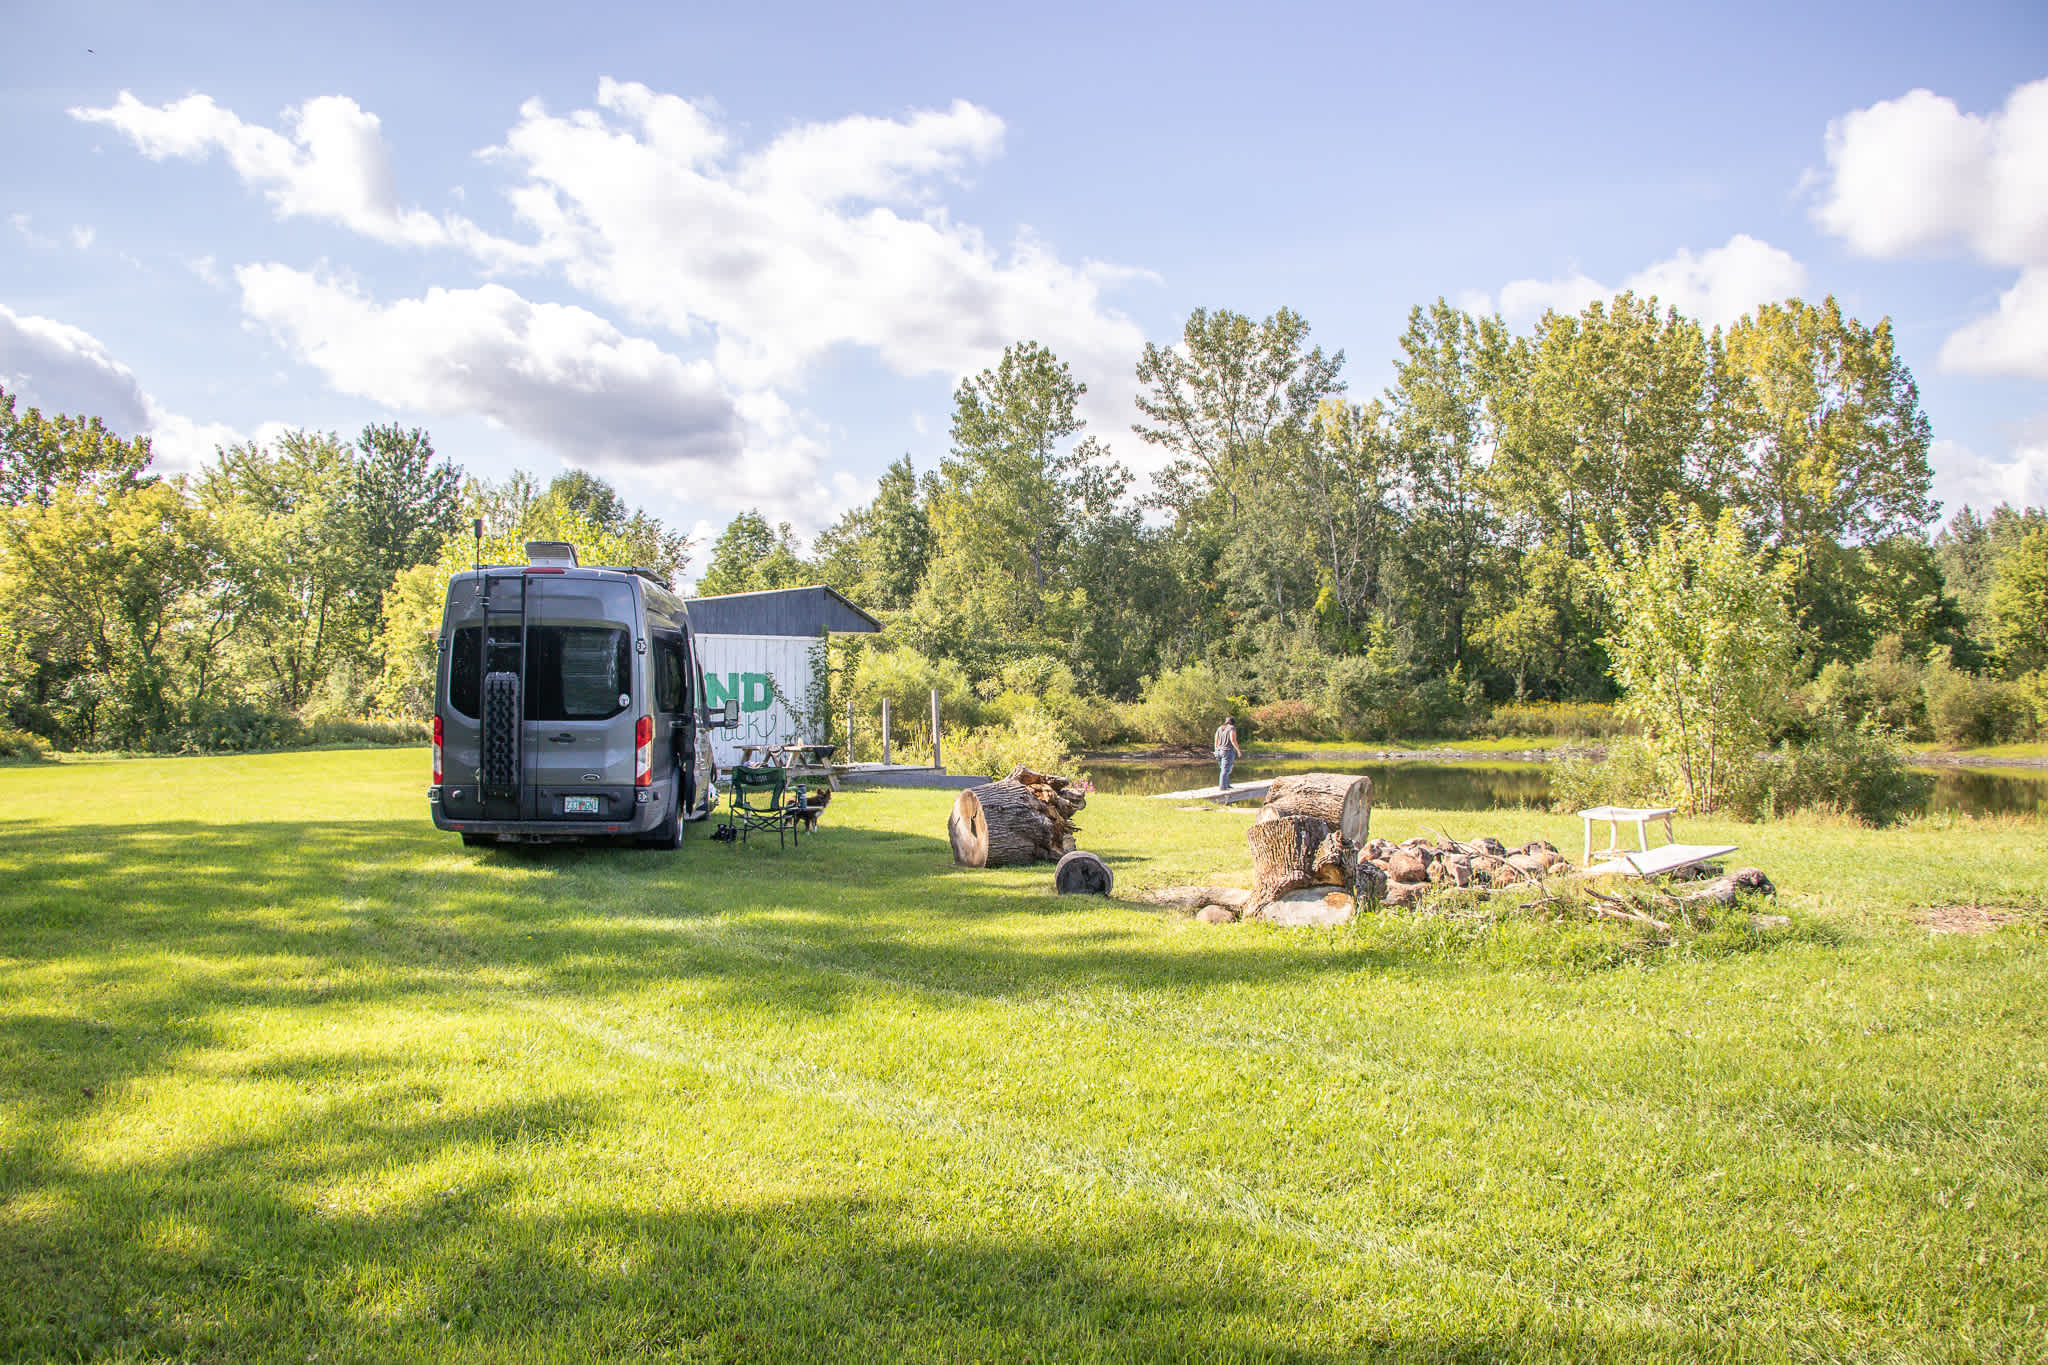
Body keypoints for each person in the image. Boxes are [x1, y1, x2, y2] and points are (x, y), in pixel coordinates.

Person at [1213, 714, 1241, 790]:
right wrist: (1238, 750)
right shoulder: (1232, 728)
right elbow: (1233, 740)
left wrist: (1216, 750)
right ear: (1233, 722)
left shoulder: (1219, 728)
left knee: (1223, 769)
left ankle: (1227, 785)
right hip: (1227, 751)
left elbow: (1216, 740)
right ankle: (1223, 787)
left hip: (1218, 751)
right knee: (1225, 770)